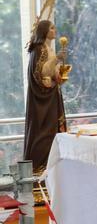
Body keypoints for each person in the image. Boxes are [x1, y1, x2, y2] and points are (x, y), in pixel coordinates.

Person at [22, 18, 67, 171]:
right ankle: (38, 173)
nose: (55, 31)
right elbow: (40, 72)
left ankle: (51, 172)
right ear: (45, 31)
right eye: (52, 28)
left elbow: (50, 72)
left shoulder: (48, 48)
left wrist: (59, 75)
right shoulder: (39, 49)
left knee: (52, 133)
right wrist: (56, 59)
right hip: (42, 100)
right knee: (43, 135)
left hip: (51, 96)